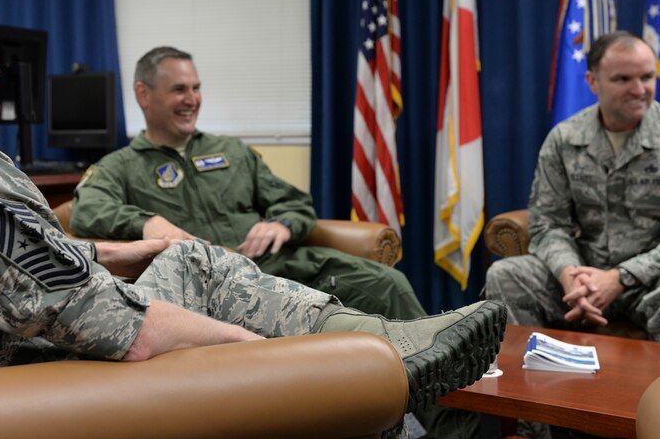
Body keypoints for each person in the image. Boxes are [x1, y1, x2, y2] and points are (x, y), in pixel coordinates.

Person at [0, 0, 505, 435]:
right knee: (195, 263)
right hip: (48, 380)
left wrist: (104, 252)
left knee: (186, 260)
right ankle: (385, 355)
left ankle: (391, 355)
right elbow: (101, 319)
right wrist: (262, 351)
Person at [69, 46, 426, 322]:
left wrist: (281, 224)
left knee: (387, 285)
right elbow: (87, 208)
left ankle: (447, 390)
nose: (192, 99)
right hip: (217, 286)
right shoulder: (120, 166)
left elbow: (295, 203)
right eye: (179, 90)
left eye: (196, 88)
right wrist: (147, 222)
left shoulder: (232, 151)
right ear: (143, 94)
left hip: (282, 265)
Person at [486, 30, 660, 347]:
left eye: (647, 77)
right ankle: (525, 379)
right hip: (584, 275)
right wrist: (569, 274)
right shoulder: (565, 139)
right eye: (623, 79)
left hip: (656, 280)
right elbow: (547, 223)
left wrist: (622, 276)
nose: (639, 90)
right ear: (592, 81)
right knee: (506, 274)